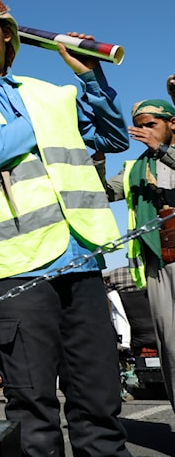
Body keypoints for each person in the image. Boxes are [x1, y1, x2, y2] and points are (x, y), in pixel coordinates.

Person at [0, 0, 130, 456]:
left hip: (82, 259)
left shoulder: (51, 93)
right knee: (32, 409)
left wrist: (88, 75)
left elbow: (114, 136)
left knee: (99, 401)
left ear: (7, 35)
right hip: (18, 271)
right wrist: (60, 105)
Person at [98, 98, 175, 412]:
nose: (144, 133)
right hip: (159, 263)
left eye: (151, 125)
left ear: (172, 124)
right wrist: (96, 161)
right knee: (170, 346)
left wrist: (162, 151)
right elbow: (101, 192)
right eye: (139, 126)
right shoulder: (135, 168)